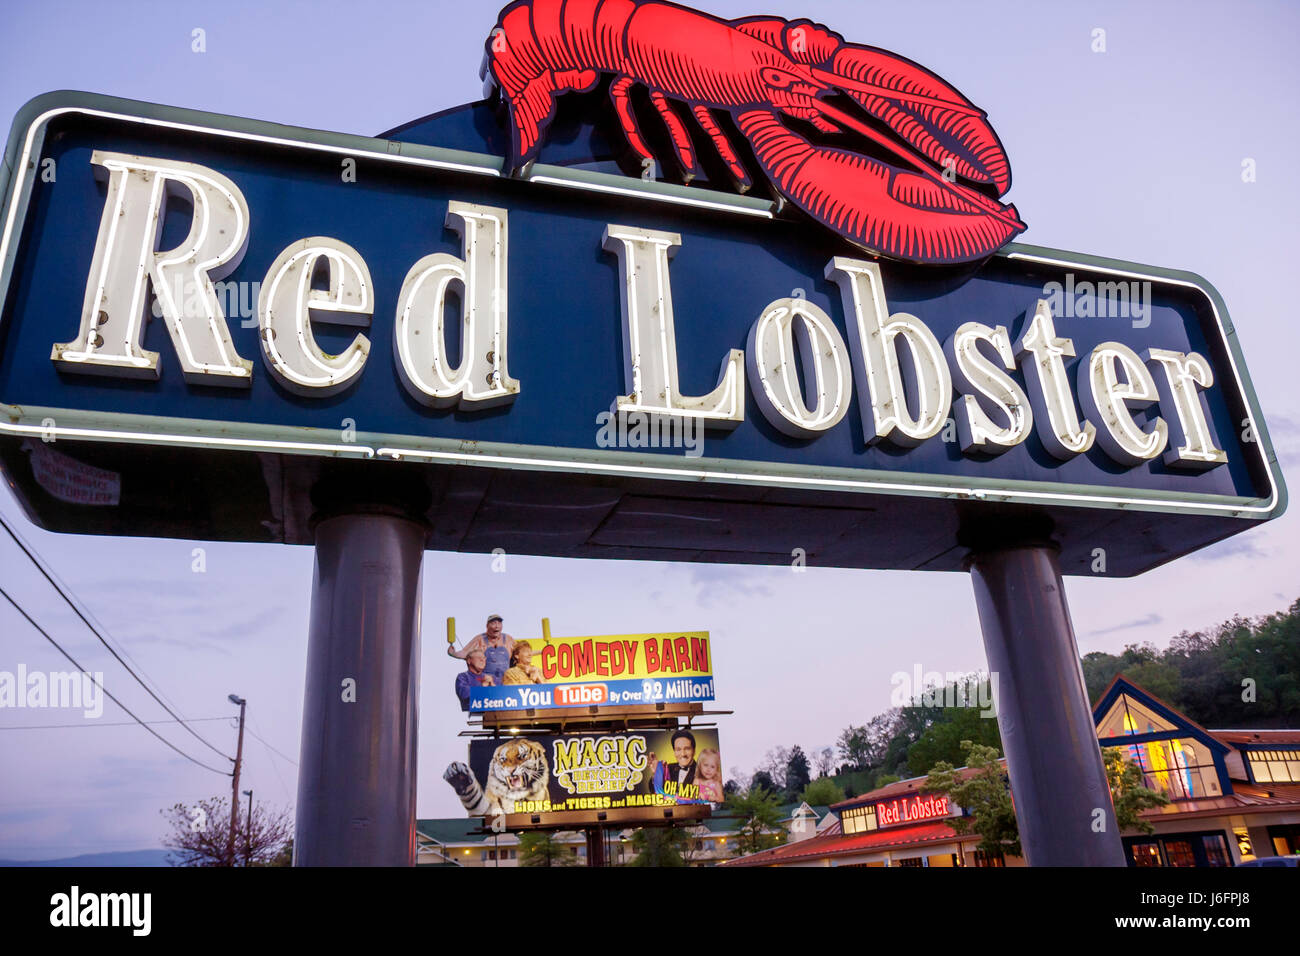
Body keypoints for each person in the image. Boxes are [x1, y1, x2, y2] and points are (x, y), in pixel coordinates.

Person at [448, 614, 515, 687]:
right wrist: (454, 653)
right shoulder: (480, 639)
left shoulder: (508, 639)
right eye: (493, 623)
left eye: (499, 623)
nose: (497, 626)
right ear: (487, 626)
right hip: (487, 682)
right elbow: (465, 653)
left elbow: (519, 654)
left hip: (506, 682)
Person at [645, 729, 697, 797]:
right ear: (674, 752)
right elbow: (654, 792)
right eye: (678, 749)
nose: (683, 754)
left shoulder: (703, 771)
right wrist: (657, 774)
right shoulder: (668, 768)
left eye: (687, 748)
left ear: (694, 751)